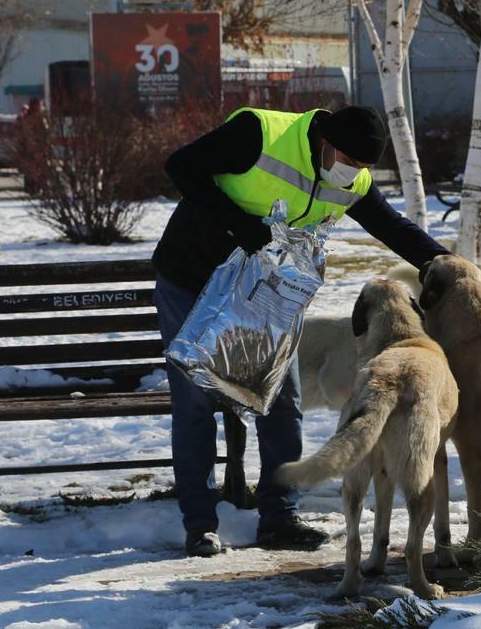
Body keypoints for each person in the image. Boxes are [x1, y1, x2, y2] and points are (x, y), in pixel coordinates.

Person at [153, 105, 449, 557]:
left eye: (365, 166)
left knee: (282, 400)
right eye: (350, 160)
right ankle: (200, 523)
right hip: (193, 279)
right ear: (326, 143)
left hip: (265, 294)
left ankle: (280, 517)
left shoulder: (352, 180)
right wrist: (237, 224)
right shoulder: (261, 134)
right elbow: (182, 166)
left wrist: (443, 264)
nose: (354, 173)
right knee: (196, 400)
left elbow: (392, 226)